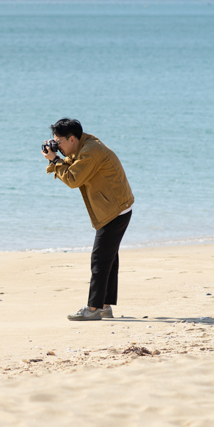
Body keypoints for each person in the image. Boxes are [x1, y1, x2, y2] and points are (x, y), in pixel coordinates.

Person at [43, 118, 134, 322]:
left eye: (59, 142)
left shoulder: (91, 150)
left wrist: (54, 161)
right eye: (54, 141)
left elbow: (74, 179)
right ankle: (104, 306)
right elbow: (73, 165)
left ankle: (93, 309)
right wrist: (57, 158)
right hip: (117, 207)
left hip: (115, 209)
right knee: (108, 259)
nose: (57, 145)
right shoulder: (84, 146)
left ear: (72, 139)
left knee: (99, 260)